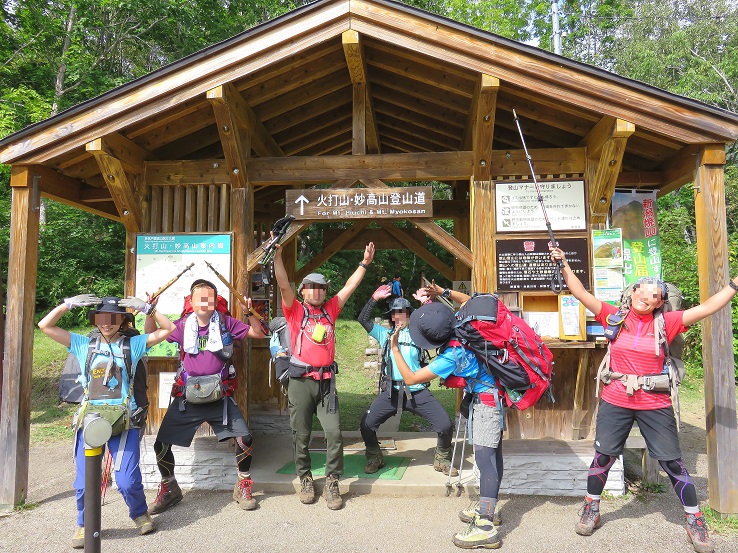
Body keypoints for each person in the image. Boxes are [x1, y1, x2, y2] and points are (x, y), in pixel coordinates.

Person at [550, 246, 738, 553]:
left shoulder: (669, 322)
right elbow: (580, 293)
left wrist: (733, 286)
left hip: (655, 401)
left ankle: (694, 519)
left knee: (672, 462)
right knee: (604, 456)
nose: (646, 296)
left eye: (654, 295)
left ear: (660, 302)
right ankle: (591, 508)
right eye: (642, 290)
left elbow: (706, 308)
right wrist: (564, 263)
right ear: (632, 292)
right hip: (615, 399)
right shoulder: (614, 315)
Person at [38, 294, 175, 549]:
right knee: (83, 483)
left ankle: (139, 512)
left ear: (122, 320)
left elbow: (169, 329)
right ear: (96, 320)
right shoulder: (83, 344)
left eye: (113, 318)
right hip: (91, 419)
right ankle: (84, 523)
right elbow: (45, 326)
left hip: (125, 419)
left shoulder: (132, 345)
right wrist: (67, 305)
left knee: (126, 481)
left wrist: (148, 309)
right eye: (102, 318)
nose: (107, 323)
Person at [390, 288, 504, 550]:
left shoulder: (451, 356)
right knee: (494, 458)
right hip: (494, 399)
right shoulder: (465, 327)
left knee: (486, 461)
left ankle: (485, 525)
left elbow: (411, 378)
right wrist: (441, 292)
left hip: (486, 405)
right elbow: (473, 300)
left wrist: (395, 348)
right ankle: (491, 508)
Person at [144, 279, 266, 514]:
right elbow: (150, 332)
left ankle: (243, 485)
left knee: (245, 439)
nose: (204, 303)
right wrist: (151, 310)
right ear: (191, 301)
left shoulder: (226, 323)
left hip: (220, 397)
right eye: (199, 298)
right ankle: (170, 488)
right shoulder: (181, 325)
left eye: (209, 298)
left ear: (215, 301)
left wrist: (251, 311)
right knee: (161, 444)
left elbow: (258, 333)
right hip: (186, 397)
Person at [273, 239, 375, 510]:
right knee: (301, 434)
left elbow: (350, 287)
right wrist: (278, 256)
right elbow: (284, 284)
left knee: (334, 433)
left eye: (321, 288)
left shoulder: (331, 309)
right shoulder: (294, 310)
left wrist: (364, 263)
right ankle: (305, 477)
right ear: (304, 291)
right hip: (300, 382)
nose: (317, 292)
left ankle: (332, 480)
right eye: (311, 287)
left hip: (327, 383)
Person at [356, 283, 456, 476]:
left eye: (402, 312)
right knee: (366, 424)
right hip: (391, 392)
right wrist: (374, 298)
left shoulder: (419, 335)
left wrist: (427, 303)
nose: (398, 316)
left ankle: (442, 458)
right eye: (394, 313)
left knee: (445, 424)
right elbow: (363, 319)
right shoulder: (384, 334)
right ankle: (374, 456)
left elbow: (438, 324)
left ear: (410, 315)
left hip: (417, 391)